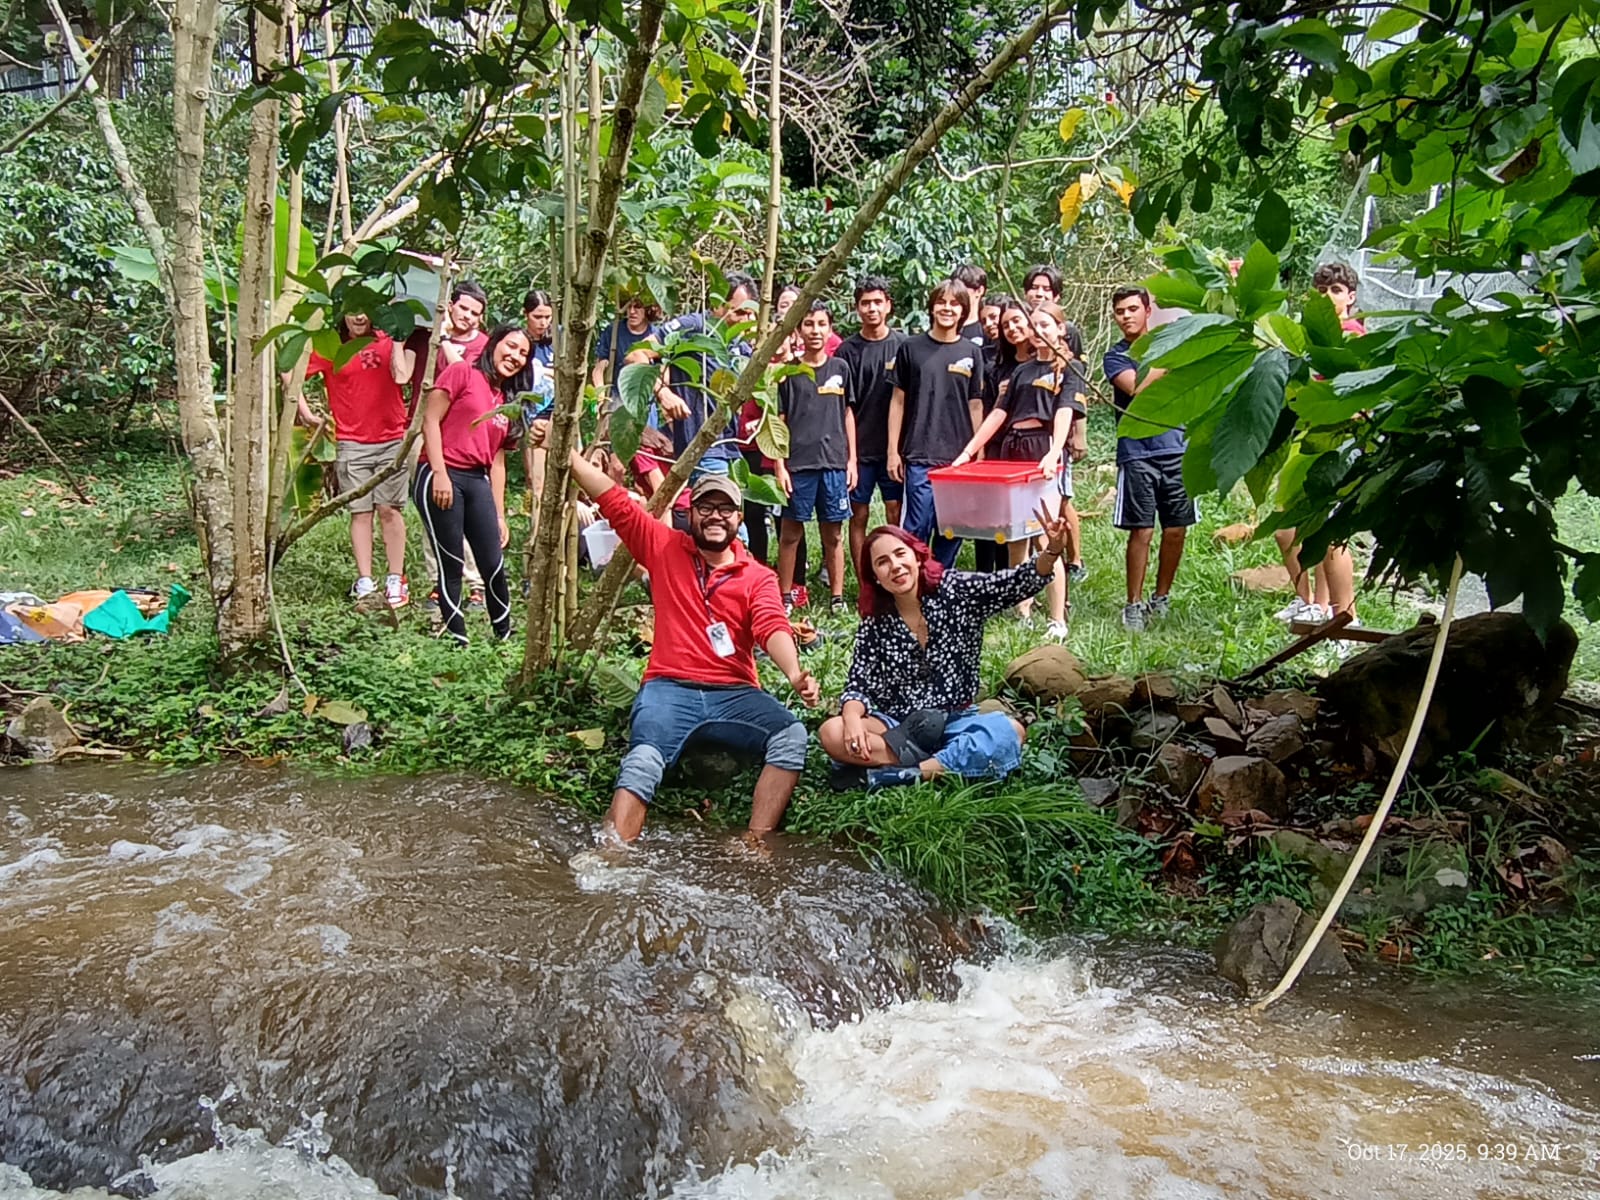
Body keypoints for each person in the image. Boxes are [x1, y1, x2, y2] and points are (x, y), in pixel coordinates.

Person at [565, 450, 821, 841]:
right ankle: (611, 857)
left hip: (734, 693)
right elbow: (612, 499)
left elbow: (772, 624)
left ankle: (756, 843)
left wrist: (794, 674)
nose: (715, 515)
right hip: (668, 688)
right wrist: (563, 448)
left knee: (791, 735)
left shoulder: (758, 576)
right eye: (706, 507)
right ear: (692, 514)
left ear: (739, 518)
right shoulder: (664, 546)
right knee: (643, 759)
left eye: (726, 509)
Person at [818, 511, 1071, 790]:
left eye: (901, 554)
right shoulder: (876, 621)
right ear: (876, 577)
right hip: (899, 726)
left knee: (1010, 731)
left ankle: (909, 773)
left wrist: (1052, 551)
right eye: (883, 562)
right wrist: (852, 718)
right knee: (833, 732)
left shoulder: (956, 590)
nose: (895, 566)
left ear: (917, 556)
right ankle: (944, 764)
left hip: (954, 720)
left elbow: (1014, 583)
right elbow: (859, 683)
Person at [953, 300, 1082, 639]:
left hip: (1043, 452)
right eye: (1034, 325)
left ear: (1060, 329)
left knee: (1046, 537)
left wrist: (1054, 452)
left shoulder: (1069, 368)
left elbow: (1064, 413)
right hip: (1013, 450)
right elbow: (998, 414)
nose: (1039, 331)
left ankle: (1057, 620)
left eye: (1045, 325)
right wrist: (968, 451)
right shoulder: (1021, 372)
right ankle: (1021, 610)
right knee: (1015, 538)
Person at [414, 324, 529, 645]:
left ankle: (504, 635)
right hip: (441, 472)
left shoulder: (507, 401)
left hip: (477, 479)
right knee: (451, 562)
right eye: (511, 346)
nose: (515, 356)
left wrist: (500, 514)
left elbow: (498, 461)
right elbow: (430, 419)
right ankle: (457, 639)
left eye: (523, 353)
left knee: (492, 562)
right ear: (494, 344)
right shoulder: (463, 372)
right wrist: (439, 472)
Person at [300, 311, 416, 608]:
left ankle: (395, 578)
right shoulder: (330, 347)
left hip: (392, 438)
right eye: (352, 311)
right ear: (343, 314)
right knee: (360, 512)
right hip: (352, 443)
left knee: (390, 510)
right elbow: (290, 370)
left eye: (365, 309)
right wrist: (305, 412)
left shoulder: (390, 340)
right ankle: (365, 581)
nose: (359, 316)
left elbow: (406, 375)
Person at [1274, 264, 1364, 626]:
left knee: (1329, 534)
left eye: (1337, 290)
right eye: (1322, 291)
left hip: (1337, 442)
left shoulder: (1351, 336)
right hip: (1308, 438)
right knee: (1294, 530)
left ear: (1351, 297)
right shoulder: (1312, 339)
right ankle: (1317, 605)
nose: (1328, 297)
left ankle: (1345, 619)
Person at [1105, 285, 1196, 631]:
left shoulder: (1169, 344)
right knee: (1140, 530)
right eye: (1119, 311)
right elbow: (1137, 388)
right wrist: (1174, 358)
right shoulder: (1116, 356)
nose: (1126, 316)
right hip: (1137, 452)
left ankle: (1161, 597)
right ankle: (1133, 604)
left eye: (1132, 309)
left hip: (1178, 447)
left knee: (1176, 529)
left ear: (1147, 311)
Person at [629, 274, 758, 511]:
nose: (745, 321)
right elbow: (636, 355)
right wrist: (663, 393)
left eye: (750, 315)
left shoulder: (740, 346)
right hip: (702, 444)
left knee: (722, 519)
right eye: (739, 313)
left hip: (731, 447)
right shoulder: (694, 327)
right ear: (718, 305)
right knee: (729, 524)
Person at [888, 278, 986, 570]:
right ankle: (912, 587)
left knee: (952, 528)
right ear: (931, 308)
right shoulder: (910, 348)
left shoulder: (972, 352)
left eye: (955, 304)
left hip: (959, 459)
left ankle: (940, 584)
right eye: (941, 302)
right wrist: (893, 451)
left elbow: (976, 404)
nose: (947, 308)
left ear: (963, 311)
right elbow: (897, 401)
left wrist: (977, 450)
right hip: (918, 453)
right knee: (916, 527)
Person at [775, 301, 855, 615]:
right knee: (790, 533)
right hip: (798, 466)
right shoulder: (789, 373)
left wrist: (852, 461)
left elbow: (848, 415)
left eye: (822, 324)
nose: (815, 331)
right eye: (808, 324)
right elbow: (779, 422)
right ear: (798, 330)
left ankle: (837, 598)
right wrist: (780, 466)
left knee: (833, 534)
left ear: (830, 329)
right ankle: (784, 596)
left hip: (834, 464)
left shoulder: (841, 369)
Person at [421, 280, 492, 609]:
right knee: (434, 515)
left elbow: (465, 374)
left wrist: (446, 339)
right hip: (434, 437)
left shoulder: (484, 347)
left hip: (468, 445)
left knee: (468, 519)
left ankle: (476, 583)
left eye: (476, 313)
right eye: (464, 309)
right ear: (450, 305)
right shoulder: (431, 338)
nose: (469, 317)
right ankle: (440, 583)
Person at [1022, 264, 1090, 582]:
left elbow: (1075, 388)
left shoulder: (1069, 333)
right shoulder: (1022, 328)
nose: (1038, 292)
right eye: (1034, 287)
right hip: (1025, 434)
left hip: (1055, 437)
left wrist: (1079, 434)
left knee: (1062, 501)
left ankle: (1073, 560)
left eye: (1045, 289)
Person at [838, 275, 906, 581]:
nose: (872, 308)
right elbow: (843, 407)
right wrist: (848, 455)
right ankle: (866, 579)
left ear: (888, 306)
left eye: (878, 302)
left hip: (895, 450)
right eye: (865, 303)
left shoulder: (905, 346)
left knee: (895, 512)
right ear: (857, 309)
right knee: (858, 515)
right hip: (859, 450)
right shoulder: (846, 352)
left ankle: (898, 575)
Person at [972, 295, 1031, 575]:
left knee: (1030, 523)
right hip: (998, 447)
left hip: (1035, 449)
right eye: (1003, 324)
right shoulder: (996, 367)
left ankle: (1025, 580)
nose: (1008, 328)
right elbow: (989, 409)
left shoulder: (1046, 361)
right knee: (990, 518)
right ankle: (988, 577)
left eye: (1014, 321)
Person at [951, 263, 988, 346]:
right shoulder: (945, 328)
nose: (957, 294)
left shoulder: (987, 330)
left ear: (979, 291)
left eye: (963, 289)